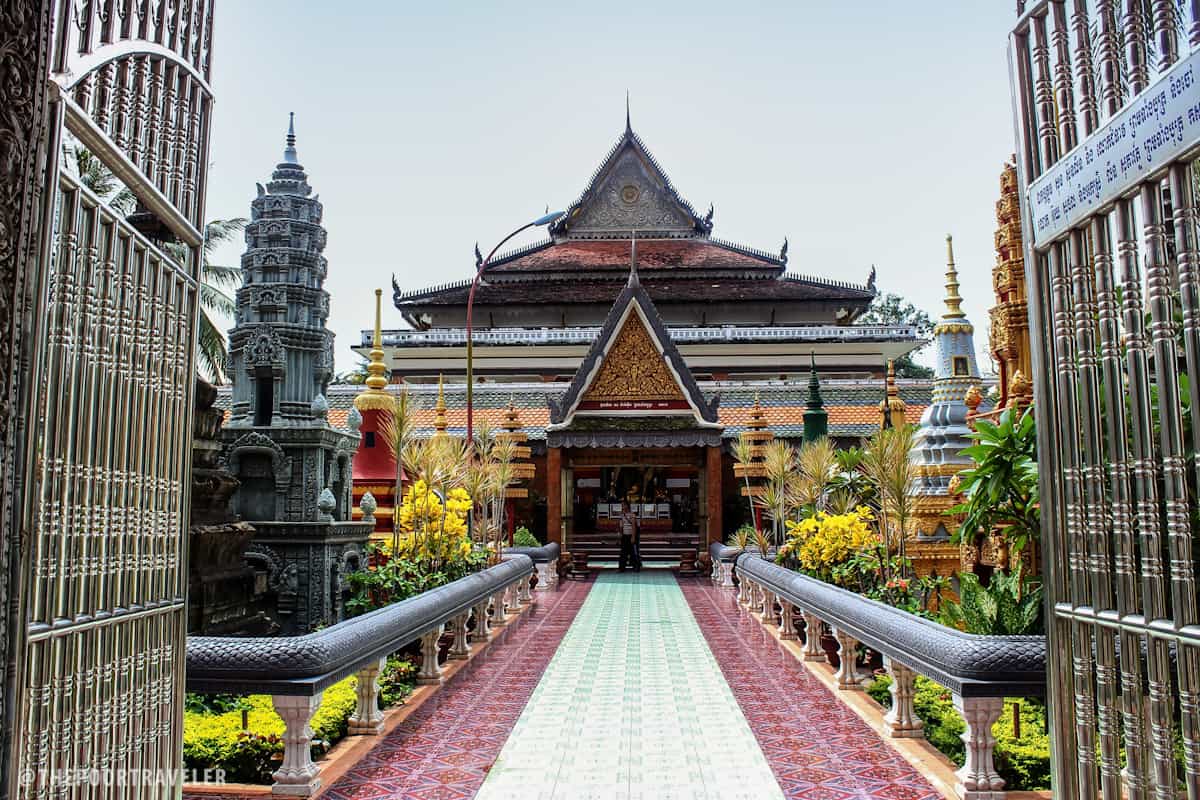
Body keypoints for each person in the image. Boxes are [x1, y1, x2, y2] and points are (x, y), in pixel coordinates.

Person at [618, 500, 642, 572]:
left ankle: (636, 567)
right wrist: (621, 534)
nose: (622, 507)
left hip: (631, 536)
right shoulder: (622, 515)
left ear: (627, 506)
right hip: (625, 536)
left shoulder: (632, 515)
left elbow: (634, 526)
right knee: (623, 552)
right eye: (622, 505)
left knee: (633, 552)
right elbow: (621, 526)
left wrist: (633, 537)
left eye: (623, 505)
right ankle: (622, 567)